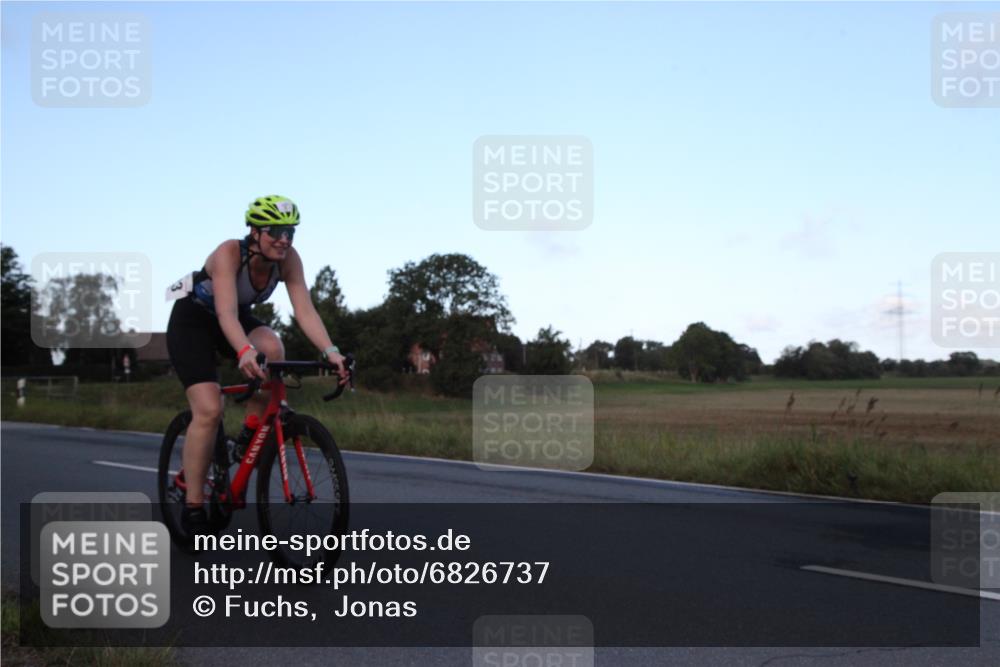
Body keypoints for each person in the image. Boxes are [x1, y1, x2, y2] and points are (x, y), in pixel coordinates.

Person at [165, 195, 347, 537]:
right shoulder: (229, 253)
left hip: (233, 318)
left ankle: (249, 431)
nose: (284, 239)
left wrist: (331, 351)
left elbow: (305, 310)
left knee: (273, 348)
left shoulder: (289, 260)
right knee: (209, 408)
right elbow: (225, 314)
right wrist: (245, 351)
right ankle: (193, 505)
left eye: (290, 232)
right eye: (275, 231)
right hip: (194, 322)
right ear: (255, 231)